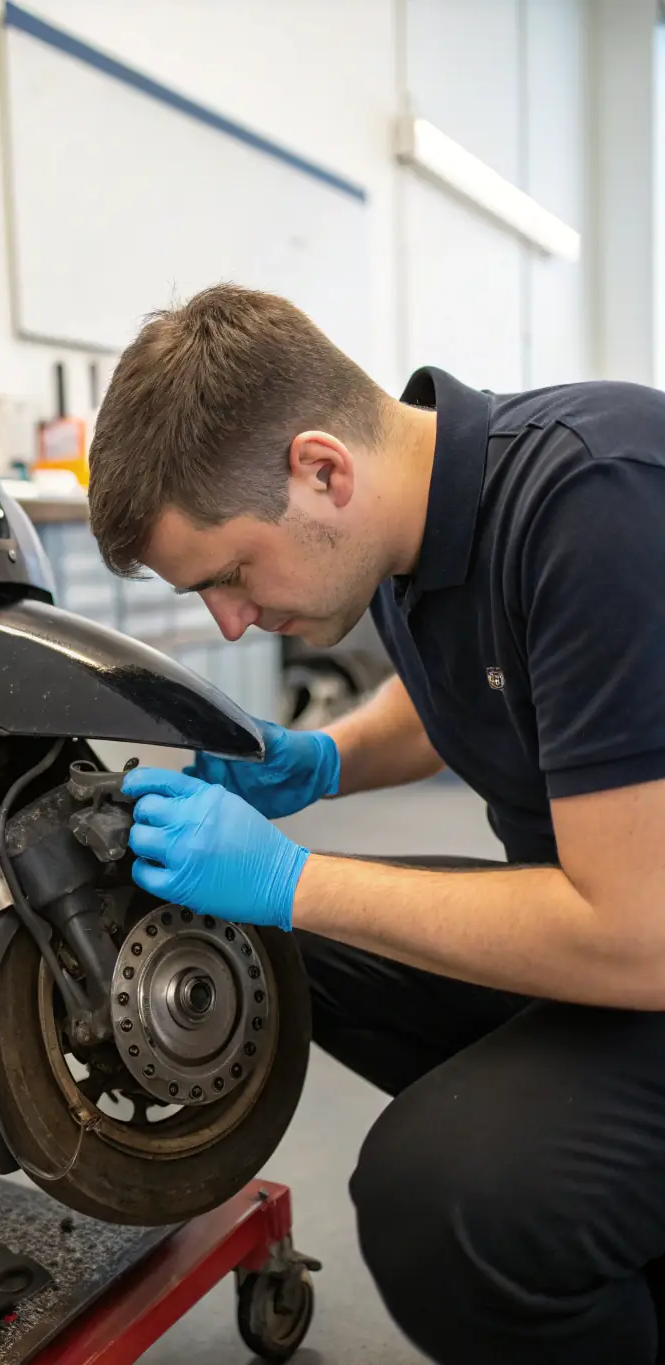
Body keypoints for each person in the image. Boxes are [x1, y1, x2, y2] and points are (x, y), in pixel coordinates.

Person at [86, 283, 665, 1365]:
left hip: (641, 942)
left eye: (230, 574)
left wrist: (290, 876)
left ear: (321, 470)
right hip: (617, 933)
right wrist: (317, 762)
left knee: (444, 1200)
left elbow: (640, 935)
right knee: (283, 947)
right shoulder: (406, 534)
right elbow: (472, 692)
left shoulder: (599, 501)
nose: (229, 621)